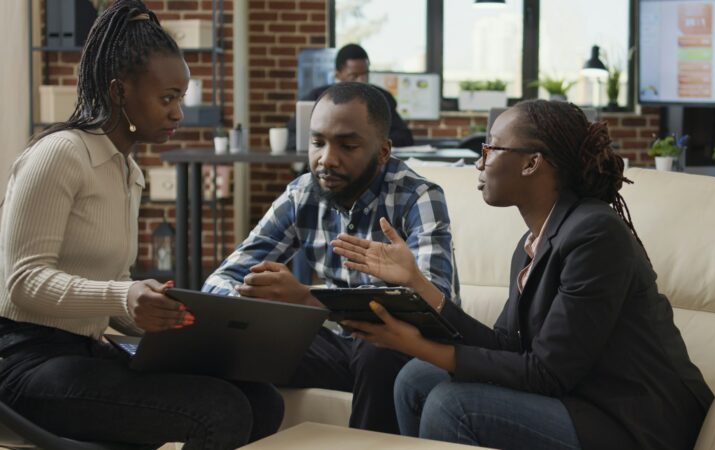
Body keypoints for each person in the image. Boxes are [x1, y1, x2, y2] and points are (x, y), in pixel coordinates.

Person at [330, 99, 714, 449]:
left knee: (455, 405)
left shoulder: (597, 233)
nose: (479, 163)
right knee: (416, 378)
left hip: (634, 421)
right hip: (579, 399)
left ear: (532, 162)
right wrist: (417, 282)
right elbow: (508, 345)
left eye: (491, 148)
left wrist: (415, 344)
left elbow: (547, 374)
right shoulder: (532, 243)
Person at [0, 2, 283, 449]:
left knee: (263, 401)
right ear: (118, 91)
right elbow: (23, 281)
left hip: (85, 349)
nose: (178, 114)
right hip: (24, 360)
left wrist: (165, 320)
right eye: (166, 98)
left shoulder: (127, 172)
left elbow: (108, 292)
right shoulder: (59, 155)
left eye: (180, 99)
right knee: (219, 411)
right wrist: (124, 294)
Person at [203, 81, 455, 434]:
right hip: (336, 344)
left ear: (383, 152)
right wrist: (251, 306)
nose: (327, 159)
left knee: (377, 350)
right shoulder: (302, 194)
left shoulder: (418, 198)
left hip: (401, 349)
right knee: (238, 336)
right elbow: (220, 279)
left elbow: (437, 308)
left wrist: (310, 299)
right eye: (317, 142)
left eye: (347, 145)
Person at [286, 43, 414, 150]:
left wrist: (370, 141)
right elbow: (291, 138)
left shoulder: (381, 97)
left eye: (365, 74)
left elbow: (405, 137)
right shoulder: (317, 97)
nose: (362, 81)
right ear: (338, 74)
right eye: (354, 75)